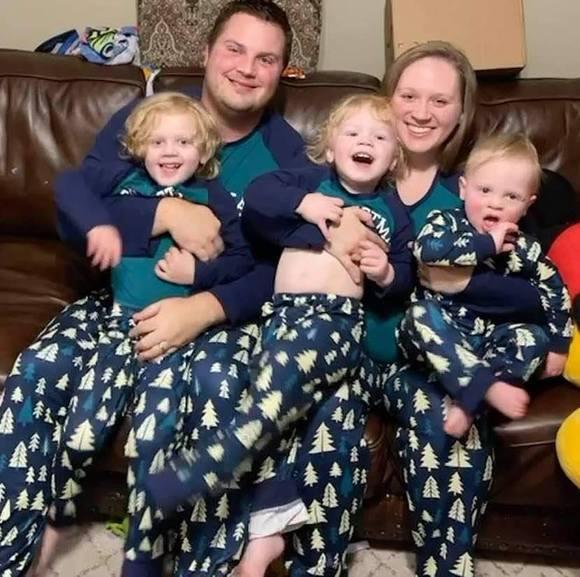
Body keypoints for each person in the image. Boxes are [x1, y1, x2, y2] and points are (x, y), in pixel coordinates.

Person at [0, 2, 384, 577]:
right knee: (36, 370)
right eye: (235, 49)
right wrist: (163, 215)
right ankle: (12, 551)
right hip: (119, 299)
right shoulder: (147, 117)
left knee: (217, 393)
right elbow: (74, 214)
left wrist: (207, 307)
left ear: (282, 72)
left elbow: (281, 266)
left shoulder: (286, 156)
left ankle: (201, 564)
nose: (247, 68)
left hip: (222, 317)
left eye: (266, 59)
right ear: (206, 53)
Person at [143, 93, 414, 577]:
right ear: (329, 148)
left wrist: (386, 274)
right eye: (353, 133)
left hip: (333, 323)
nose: (366, 142)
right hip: (282, 320)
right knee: (312, 421)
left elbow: (404, 277)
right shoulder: (307, 182)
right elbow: (259, 201)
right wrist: (306, 204)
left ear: (394, 159)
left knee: (275, 396)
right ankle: (262, 547)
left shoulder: (392, 211)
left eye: (380, 137)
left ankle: (221, 457)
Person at [398, 133, 571, 438]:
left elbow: (554, 289)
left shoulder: (525, 247)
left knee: (534, 336)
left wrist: (559, 345)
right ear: (463, 189)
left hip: (490, 341)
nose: (495, 203)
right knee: (418, 315)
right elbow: (426, 250)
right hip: (440, 337)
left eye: (511, 196)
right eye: (485, 190)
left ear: (528, 205)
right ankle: (482, 387)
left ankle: (474, 398)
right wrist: (487, 244)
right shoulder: (447, 222)